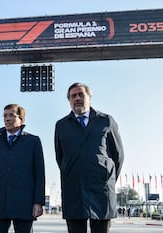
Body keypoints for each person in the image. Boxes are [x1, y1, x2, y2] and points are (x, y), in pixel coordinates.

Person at [54, 82, 124, 233]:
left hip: (101, 190)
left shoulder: (106, 121)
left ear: (89, 98)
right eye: (73, 96)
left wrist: (106, 177)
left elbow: (118, 155)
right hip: (73, 189)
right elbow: (60, 157)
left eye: (81, 95)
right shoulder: (61, 125)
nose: (77, 98)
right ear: (69, 100)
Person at [0, 104, 45, 233]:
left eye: (11, 115)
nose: (7, 119)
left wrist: (38, 202)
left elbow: (39, 173)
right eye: (5, 115)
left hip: (24, 202)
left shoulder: (33, 141)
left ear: (21, 119)